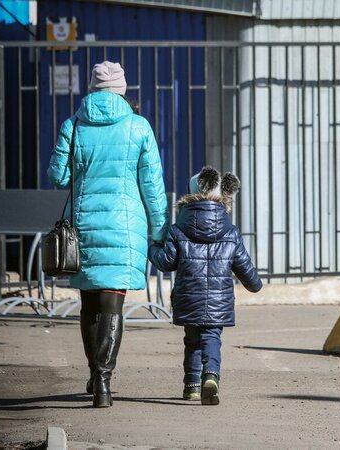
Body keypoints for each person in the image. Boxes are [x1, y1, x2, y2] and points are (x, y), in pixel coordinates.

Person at [47, 61, 168, 408]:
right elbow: (152, 187)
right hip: (126, 227)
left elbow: (58, 176)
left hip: (84, 225)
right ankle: (103, 381)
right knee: (112, 303)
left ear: (92, 89)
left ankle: (95, 373)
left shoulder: (73, 124)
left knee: (88, 304)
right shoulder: (139, 127)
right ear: (122, 90)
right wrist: (159, 231)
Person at [149, 166, 263, 405]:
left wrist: (152, 249)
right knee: (211, 336)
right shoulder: (231, 232)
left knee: (192, 339)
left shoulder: (178, 229)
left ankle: (191, 386)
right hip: (219, 301)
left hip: (188, 297)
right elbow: (243, 265)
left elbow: (166, 262)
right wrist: (255, 284)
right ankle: (210, 376)